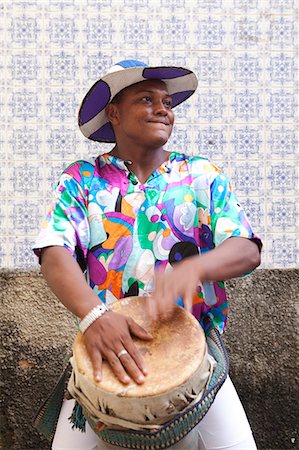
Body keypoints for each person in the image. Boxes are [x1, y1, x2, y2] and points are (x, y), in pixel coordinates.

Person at [33, 59, 262, 450]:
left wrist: (197, 267)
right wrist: (95, 317)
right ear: (114, 114)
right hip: (105, 355)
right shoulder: (81, 179)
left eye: (167, 103)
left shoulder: (201, 175)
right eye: (146, 99)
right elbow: (54, 252)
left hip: (194, 360)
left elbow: (246, 248)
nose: (163, 110)